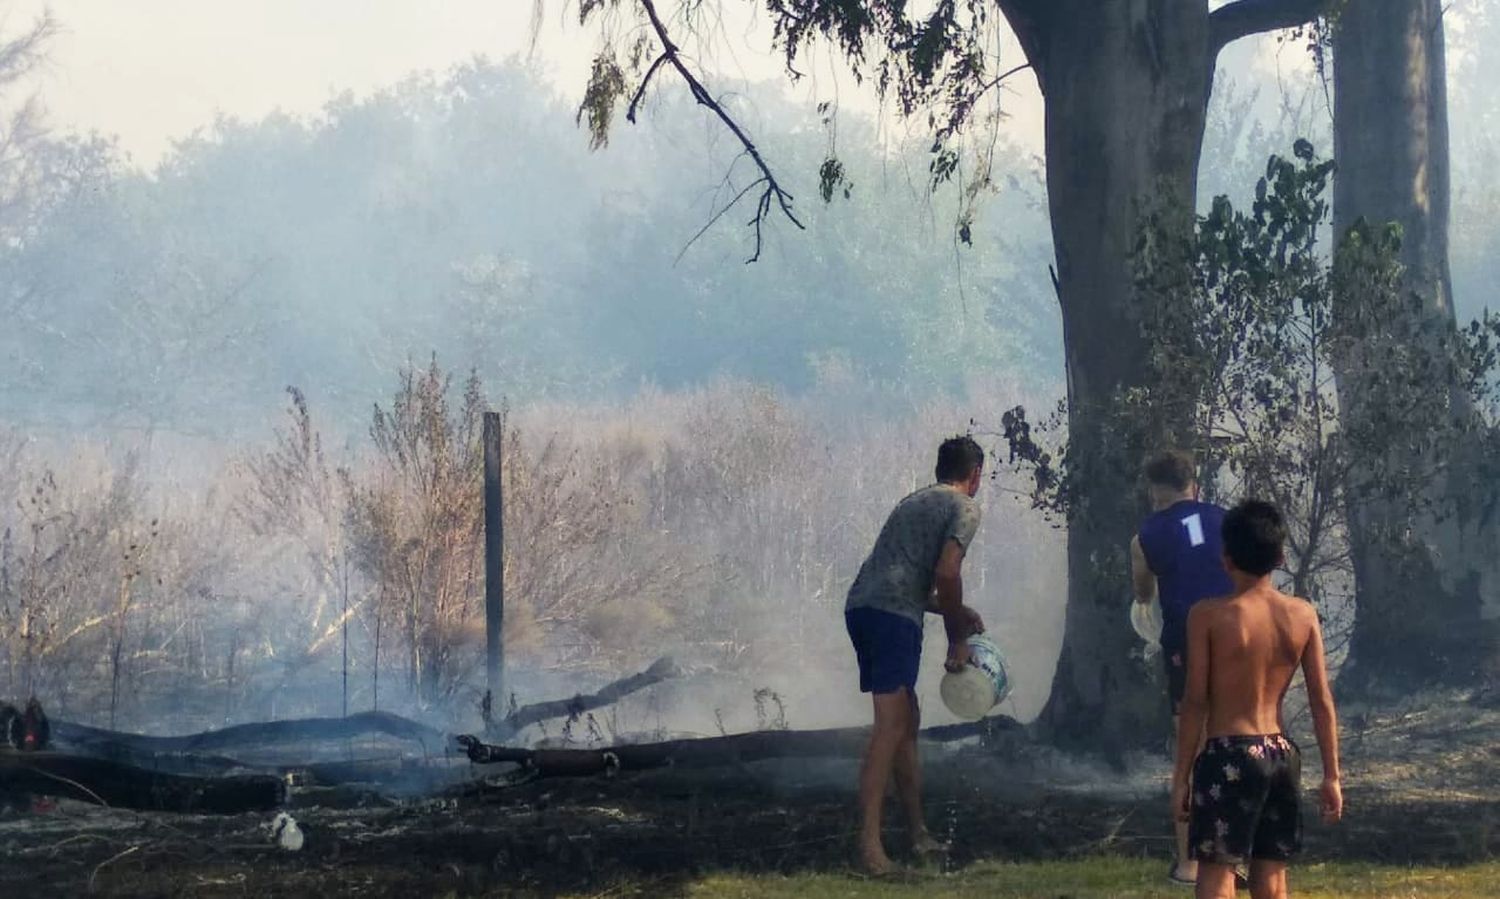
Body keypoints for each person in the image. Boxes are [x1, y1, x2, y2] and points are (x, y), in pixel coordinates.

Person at [1172, 500, 1343, 899]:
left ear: (1225, 559)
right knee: (1271, 877)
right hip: (1281, 755)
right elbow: (1321, 701)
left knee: (1216, 873)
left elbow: (1195, 700)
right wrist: (1332, 775)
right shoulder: (1302, 615)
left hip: (1228, 753)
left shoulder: (1209, 616)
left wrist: (1181, 776)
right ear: (1281, 557)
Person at [844, 435, 987, 874]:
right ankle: (870, 851)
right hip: (890, 617)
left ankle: (918, 833)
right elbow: (947, 571)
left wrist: (955, 609)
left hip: (864, 608)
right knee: (890, 727)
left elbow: (903, 576)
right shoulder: (964, 507)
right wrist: (957, 637)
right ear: (975, 474)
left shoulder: (915, 501)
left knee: (907, 721)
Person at [1130, 449, 1233, 885]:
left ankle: (1190, 861)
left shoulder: (1145, 536)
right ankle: (1235, 853)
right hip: (1238, 637)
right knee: (1240, 738)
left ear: (1154, 491)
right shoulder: (1228, 520)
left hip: (1185, 643)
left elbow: (1142, 594)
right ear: (1195, 483)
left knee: (1189, 745)